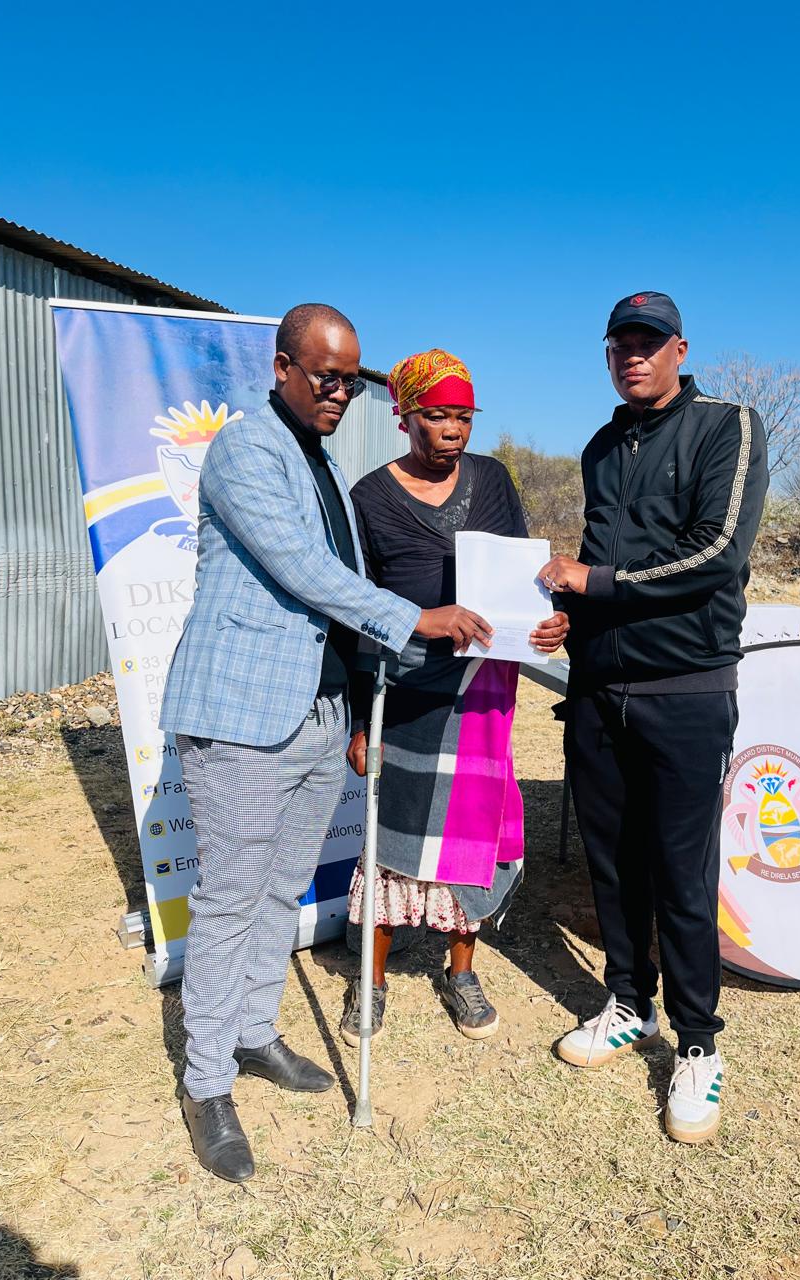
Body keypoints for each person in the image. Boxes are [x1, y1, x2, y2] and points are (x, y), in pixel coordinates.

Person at [159, 306, 493, 1183]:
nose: (340, 392)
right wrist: (416, 618)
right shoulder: (246, 450)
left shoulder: (323, 464)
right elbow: (305, 571)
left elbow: (340, 587)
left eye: (350, 381)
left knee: (279, 888)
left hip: (318, 714)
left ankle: (253, 1032)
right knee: (231, 899)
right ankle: (206, 1083)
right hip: (242, 716)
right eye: (325, 376)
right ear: (282, 368)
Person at [538, 291, 768, 1144]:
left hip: (685, 687)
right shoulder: (602, 447)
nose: (632, 356)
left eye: (648, 343)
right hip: (600, 688)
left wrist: (594, 584)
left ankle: (698, 1043)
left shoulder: (727, 426)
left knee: (680, 871)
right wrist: (570, 619)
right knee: (613, 862)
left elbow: (717, 554)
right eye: (619, 345)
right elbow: (598, 559)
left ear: (679, 350)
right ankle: (628, 1002)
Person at [338, 349, 568, 1046]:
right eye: (438, 416)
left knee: (474, 833)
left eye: (464, 417)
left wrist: (549, 622)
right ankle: (371, 980)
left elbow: (524, 578)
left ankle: (461, 971)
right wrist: (360, 720)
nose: (453, 430)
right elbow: (354, 611)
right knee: (389, 838)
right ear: (404, 416)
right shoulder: (371, 498)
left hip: (482, 690)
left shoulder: (493, 480)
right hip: (405, 690)